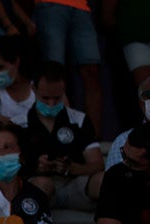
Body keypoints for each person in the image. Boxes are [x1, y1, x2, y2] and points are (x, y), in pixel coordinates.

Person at [14, 61, 105, 211]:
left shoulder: (79, 120)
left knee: (105, 180)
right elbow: (9, 168)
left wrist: (72, 168)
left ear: (64, 90)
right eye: (45, 98)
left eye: (57, 98)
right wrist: (35, 167)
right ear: (33, 89)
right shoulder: (18, 124)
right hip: (38, 186)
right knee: (42, 184)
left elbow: (97, 164)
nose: (51, 104)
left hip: (74, 186)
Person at [32, 0, 103, 134]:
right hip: (50, 4)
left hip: (81, 6)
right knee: (53, 73)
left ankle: (92, 138)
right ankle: (58, 135)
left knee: (92, 71)